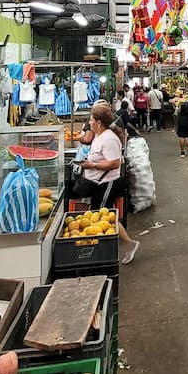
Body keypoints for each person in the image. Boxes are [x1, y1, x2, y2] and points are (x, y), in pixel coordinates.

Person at [77, 103, 140, 264]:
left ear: (99, 122)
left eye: (91, 120)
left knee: (102, 215)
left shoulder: (109, 139)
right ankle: (104, 248)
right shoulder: (99, 135)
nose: (89, 122)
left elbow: (115, 163)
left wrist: (93, 165)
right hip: (99, 183)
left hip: (108, 183)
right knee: (103, 215)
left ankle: (127, 245)